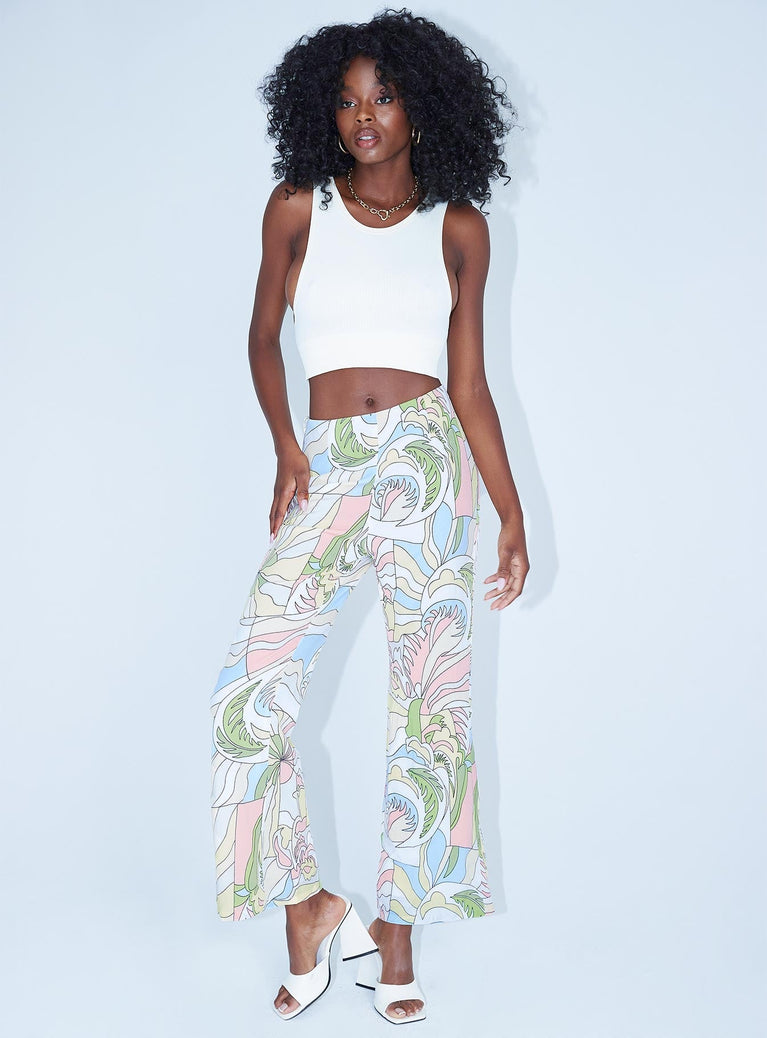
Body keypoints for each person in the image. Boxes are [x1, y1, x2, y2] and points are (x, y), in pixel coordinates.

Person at [209, 7, 530, 1025]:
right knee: (246, 695)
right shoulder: (297, 208)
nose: (363, 117)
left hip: (427, 462)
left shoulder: (459, 227)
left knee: (429, 708)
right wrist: (285, 445)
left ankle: (397, 934)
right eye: (347, 101)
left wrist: (510, 513)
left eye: (382, 97)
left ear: (419, 107)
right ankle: (307, 906)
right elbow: (261, 336)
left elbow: (470, 386)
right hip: (328, 462)